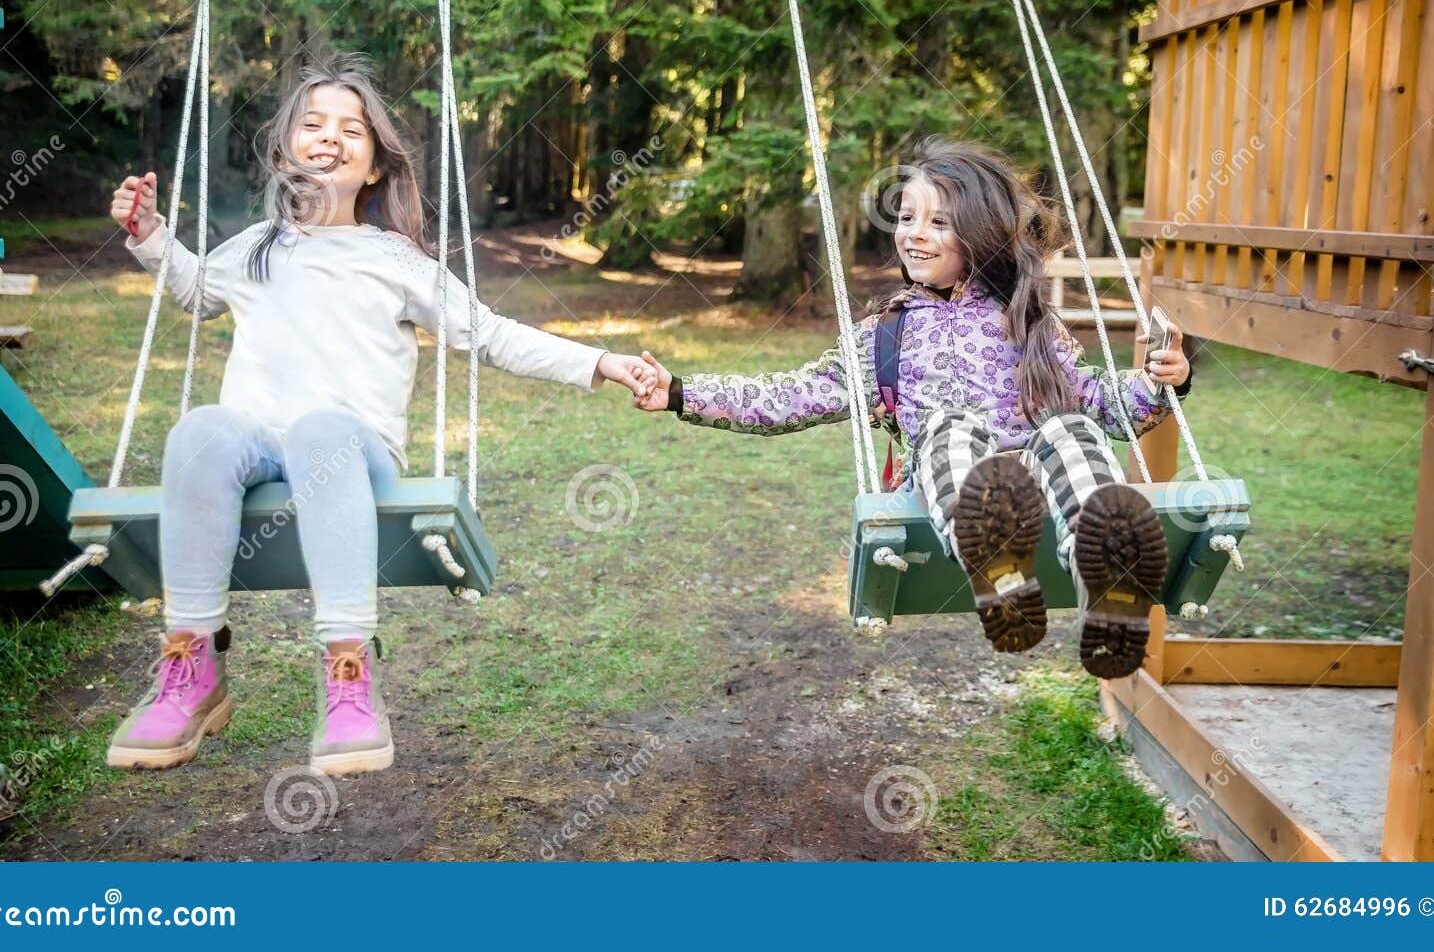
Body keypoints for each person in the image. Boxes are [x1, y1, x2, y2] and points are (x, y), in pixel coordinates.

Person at [104, 54, 653, 775]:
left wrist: (597, 362)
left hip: (347, 449)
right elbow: (194, 288)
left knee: (319, 429)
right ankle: (192, 667)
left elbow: (487, 332)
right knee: (200, 428)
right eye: (313, 124)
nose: (330, 137)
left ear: (372, 167)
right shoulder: (254, 250)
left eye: (352, 130)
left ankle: (348, 673)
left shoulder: (394, 260)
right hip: (256, 446)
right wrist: (149, 235)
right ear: (283, 152)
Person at [634, 138, 1190, 678]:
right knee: (951, 427)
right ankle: (999, 570)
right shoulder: (887, 336)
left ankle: (1114, 580)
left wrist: (1160, 382)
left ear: (980, 233)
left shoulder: (1026, 319)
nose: (914, 236)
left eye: (939, 223)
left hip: (1045, 489)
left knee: (1072, 427)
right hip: (949, 490)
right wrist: (682, 392)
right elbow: (790, 396)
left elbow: (1099, 403)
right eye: (905, 219)